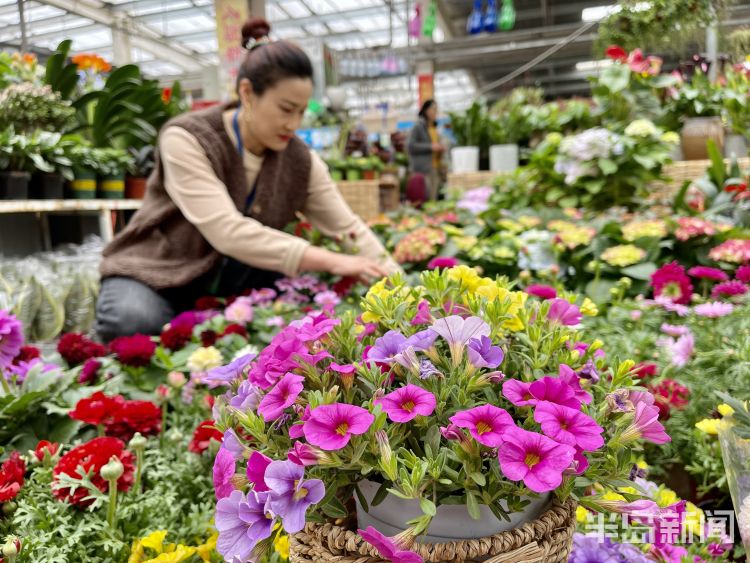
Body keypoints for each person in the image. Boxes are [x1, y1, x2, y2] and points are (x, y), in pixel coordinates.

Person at [95, 17, 398, 342]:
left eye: (301, 112)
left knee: (286, 322)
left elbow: (347, 228)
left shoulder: (300, 160)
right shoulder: (188, 138)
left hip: (232, 280)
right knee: (132, 322)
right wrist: (335, 262)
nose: (294, 123)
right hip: (158, 270)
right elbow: (228, 232)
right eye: (285, 109)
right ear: (247, 93)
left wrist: (400, 286)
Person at [407, 99, 444, 201]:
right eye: (433, 109)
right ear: (426, 111)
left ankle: (431, 217)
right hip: (423, 170)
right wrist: (430, 146)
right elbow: (410, 146)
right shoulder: (418, 127)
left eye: (437, 109)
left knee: (433, 198)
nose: (436, 112)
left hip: (435, 168)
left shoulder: (434, 127)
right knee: (424, 199)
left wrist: (440, 147)